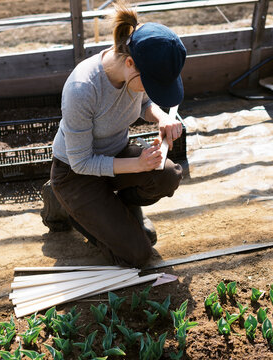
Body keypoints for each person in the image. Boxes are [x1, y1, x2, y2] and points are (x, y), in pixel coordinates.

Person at [41, 2, 186, 267]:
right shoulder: (82, 88)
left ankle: (112, 211)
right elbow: (82, 162)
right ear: (130, 63)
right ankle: (68, 207)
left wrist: (162, 117)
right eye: (153, 84)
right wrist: (138, 164)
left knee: (168, 175)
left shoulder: (135, 68)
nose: (154, 91)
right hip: (76, 174)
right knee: (138, 255)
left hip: (115, 155)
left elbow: (143, 104)